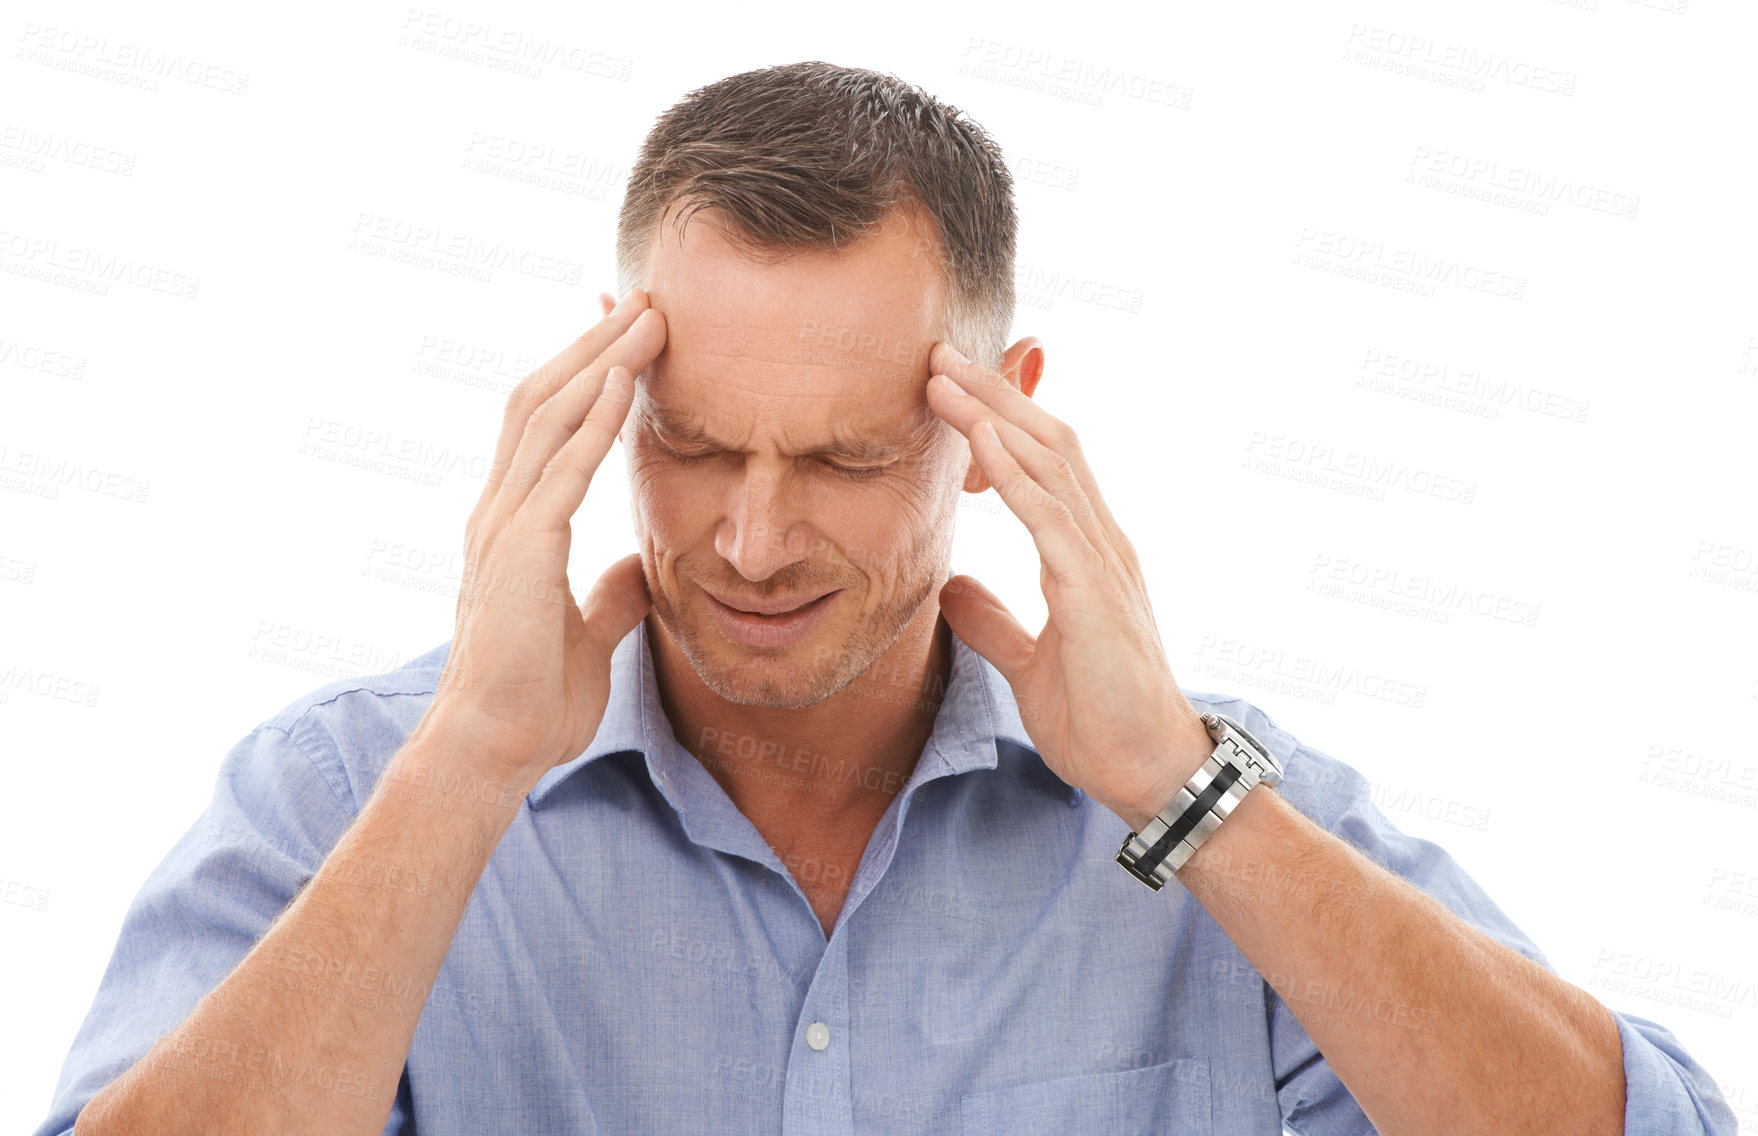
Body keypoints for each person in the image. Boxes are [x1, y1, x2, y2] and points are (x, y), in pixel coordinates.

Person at [36, 60, 1733, 1136]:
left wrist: (1183, 801)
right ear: (606, 390)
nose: (753, 541)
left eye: (845, 461)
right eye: (692, 444)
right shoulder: (352, 795)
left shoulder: (1206, 809)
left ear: (996, 417)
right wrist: (468, 770)